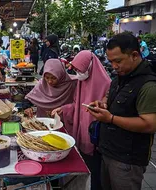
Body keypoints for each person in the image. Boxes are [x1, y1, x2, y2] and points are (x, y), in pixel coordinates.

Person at [87, 33, 156, 190]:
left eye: (118, 61)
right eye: (111, 61)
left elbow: (150, 124)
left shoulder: (149, 86)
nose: (114, 66)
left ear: (134, 55)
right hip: (107, 150)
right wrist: (101, 104)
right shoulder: (119, 78)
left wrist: (111, 118)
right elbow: (108, 98)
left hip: (127, 160)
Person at [51, 50, 111, 190]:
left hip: (97, 138)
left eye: (79, 69)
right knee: (83, 166)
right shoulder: (81, 81)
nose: (78, 72)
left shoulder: (106, 84)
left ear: (89, 66)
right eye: (76, 69)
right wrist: (64, 109)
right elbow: (77, 104)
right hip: (81, 132)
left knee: (95, 172)